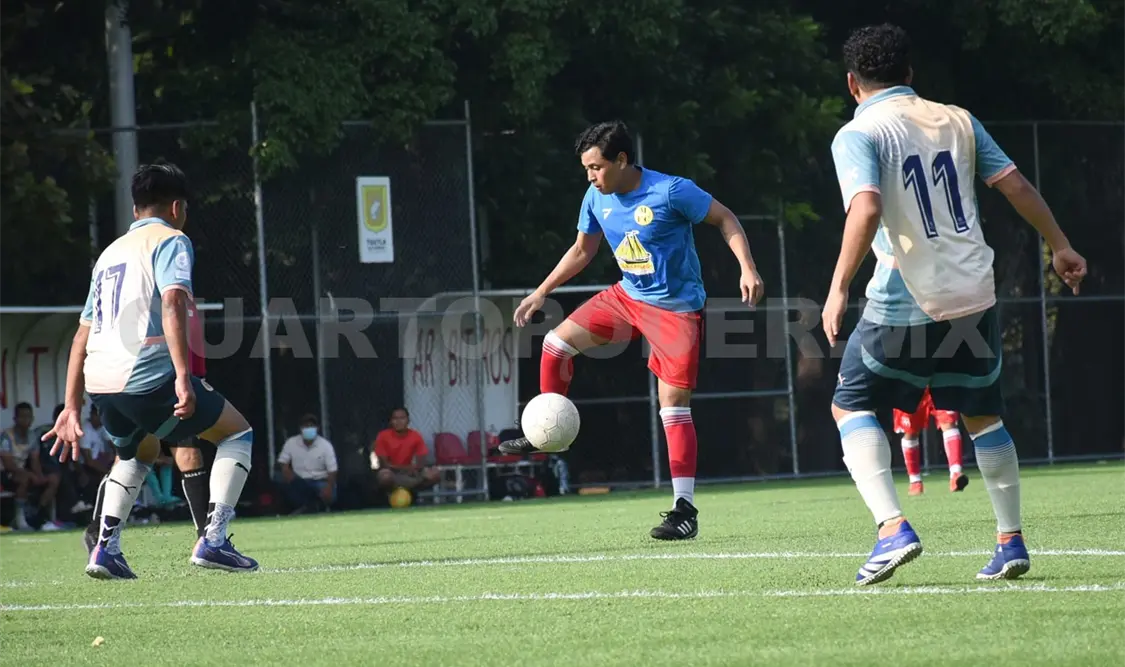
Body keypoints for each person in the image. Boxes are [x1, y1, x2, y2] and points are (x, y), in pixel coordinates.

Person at [822, 24, 1087, 585]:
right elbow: (1015, 186)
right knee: (982, 415)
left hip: (906, 293)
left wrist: (838, 286)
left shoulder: (858, 132)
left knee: (848, 406)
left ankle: (892, 528)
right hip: (973, 290)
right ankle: (1010, 541)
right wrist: (1060, 245)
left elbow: (865, 209)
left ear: (852, 83)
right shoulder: (958, 119)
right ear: (910, 74)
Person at [497, 120, 765, 540]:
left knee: (673, 407)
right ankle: (546, 433)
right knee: (556, 343)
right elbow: (583, 250)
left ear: (622, 160)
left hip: (676, 311)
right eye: (586, 168)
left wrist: (747, 268)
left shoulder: (671, 191)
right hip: (626, 299)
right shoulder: (595, 196)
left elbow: (725, 219)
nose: (590, 176)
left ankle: (684, 511)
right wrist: (541, 292)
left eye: (596, 167)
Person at [42, 162, 259, 580]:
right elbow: (173, 300)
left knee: (135, 454)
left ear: (136, 206)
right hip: (146, 375)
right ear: (177, 206)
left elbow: (80, 336)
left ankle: (105, 549)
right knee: (237, 433)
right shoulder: (171, 240)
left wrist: (71, 405)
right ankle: (213, 540)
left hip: (102, 383)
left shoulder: (108, 254)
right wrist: (183, 375)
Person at [82, 299, 213, 552]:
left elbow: (194, 347)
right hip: (143, 387)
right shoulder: (143, 299)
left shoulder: (186, 301)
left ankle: (206, 539)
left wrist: (196, 381)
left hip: (177, 388)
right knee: (133, 456)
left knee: (189, 455)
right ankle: (96, 530)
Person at [894, 386, 967, 495]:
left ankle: (955, 474)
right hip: (911, 381)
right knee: (911, 432)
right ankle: (915, 481)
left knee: (949, 422)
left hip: (940, 379)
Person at [0, 403, 60, 531]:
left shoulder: (32, 436)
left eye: (28, 417)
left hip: (23, 471)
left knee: (53, 479)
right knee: (24, 479)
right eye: (22, 416)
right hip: (5, 472)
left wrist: (39, 475)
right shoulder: (6, 436)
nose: (25, 420)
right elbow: (8, 464)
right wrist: (29, 474)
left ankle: (42, 517)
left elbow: (35, 460)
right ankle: (20, 520)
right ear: (15, 419)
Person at [276, 414, 338, 514]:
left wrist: (329, 487)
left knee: (329, 492)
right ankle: (310, 506)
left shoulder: (326, 445)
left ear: (318, 428)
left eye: (311, 426)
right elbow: (283, 462)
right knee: (278, 477)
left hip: (319, 481)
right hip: (299, 481)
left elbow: (332, 470)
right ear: (300, 428)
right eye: (306, 426)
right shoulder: (291, 442)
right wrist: (286, 471)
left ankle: (310, 507)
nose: (309, 428)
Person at [373, 407, 440, 494]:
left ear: (408, 420)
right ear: (391, 421)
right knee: (385, 476)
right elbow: (384, 464)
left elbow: (421, 461)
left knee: (435, 473)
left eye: (402, 418)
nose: (399, 421)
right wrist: (406, 468)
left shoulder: (416, 436)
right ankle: (389, 495)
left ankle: (413, 492)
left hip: (411, 474)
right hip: (393, 474)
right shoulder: (383, 436)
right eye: (395, 418)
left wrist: (415, 468)